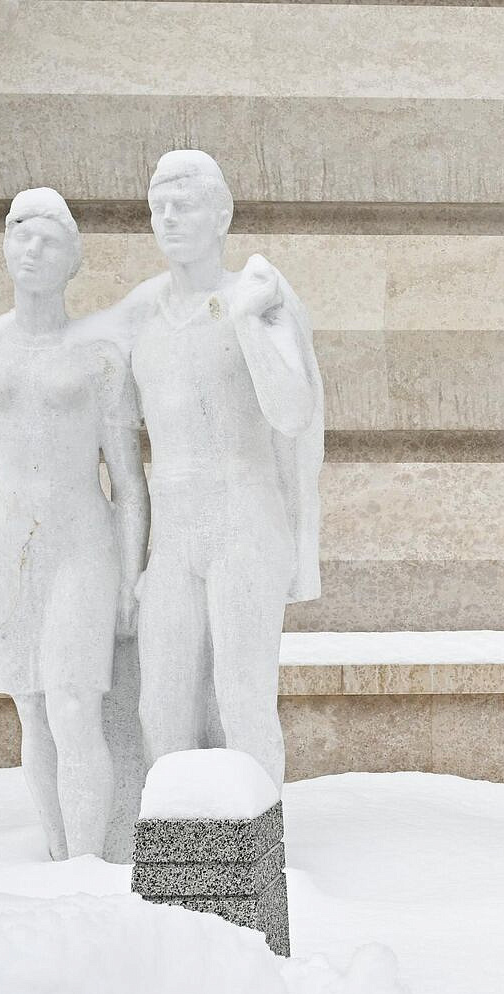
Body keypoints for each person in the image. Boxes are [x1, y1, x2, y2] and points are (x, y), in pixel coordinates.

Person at [0, 188, 150, 860]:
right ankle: (57, 857)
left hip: (81, 543)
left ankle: (86, 864)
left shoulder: (102, 353)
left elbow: (129, 481)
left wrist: (128, 578)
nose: (31, 249)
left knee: (74, 704)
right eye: (18, 233)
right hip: (4, 544)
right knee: (31, 708)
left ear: (73, 259)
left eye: (48, 239)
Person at [121, 150, 324, 789]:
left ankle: (256, 859)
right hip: (173, 533)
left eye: (185, 205)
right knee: (163, 703)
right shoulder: (141, 312)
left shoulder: (257, 294)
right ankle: (182, 859)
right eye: (159, 208)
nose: (169, 218)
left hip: (244, 514)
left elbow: (293, 412)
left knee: (242, 696)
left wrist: (248, 323)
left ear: (222, 215)